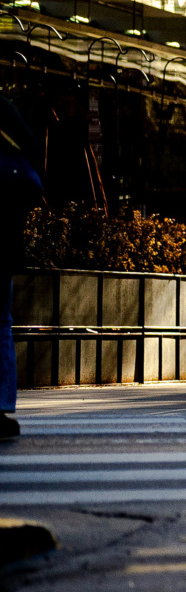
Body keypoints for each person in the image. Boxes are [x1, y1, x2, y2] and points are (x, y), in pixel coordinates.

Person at [0, 102, 44, 441]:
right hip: (2, 237)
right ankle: (0, 405)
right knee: (0, 322)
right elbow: (32, 151)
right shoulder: (3, 109)